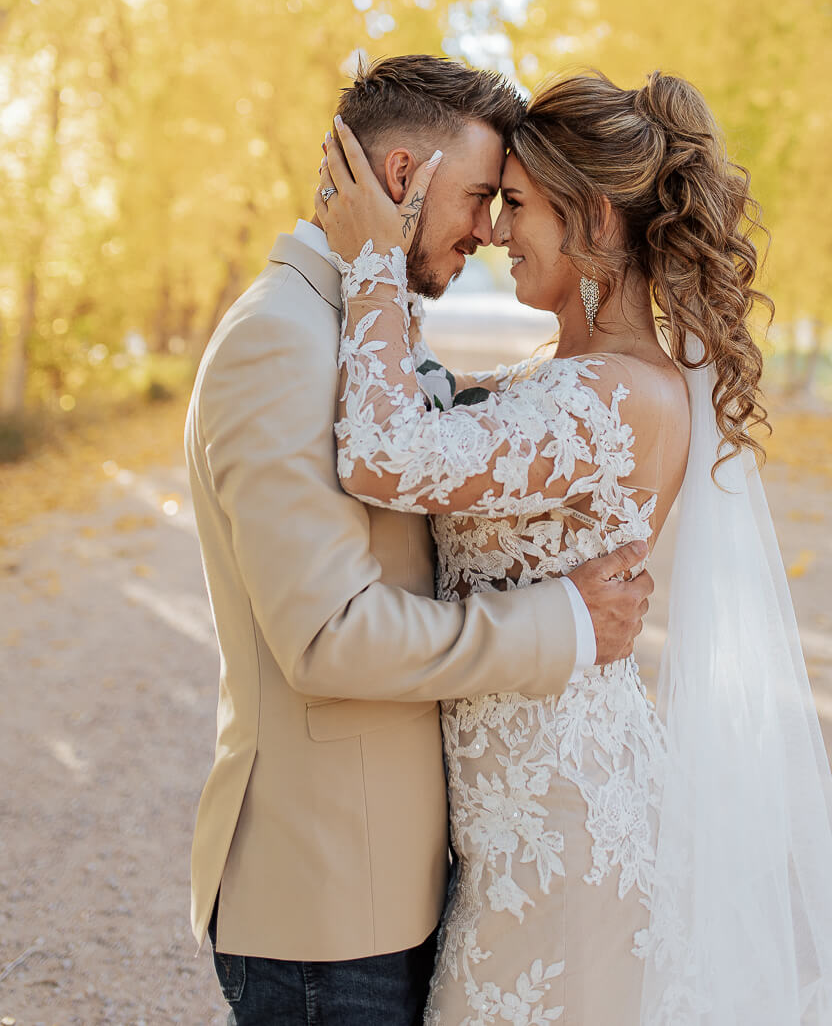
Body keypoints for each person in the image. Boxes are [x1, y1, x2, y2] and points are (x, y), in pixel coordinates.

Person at [315, 67, 832, 1025]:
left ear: (597, 222)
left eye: (518, 205)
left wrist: (374, 264)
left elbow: (381, 454)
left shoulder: (613, 395)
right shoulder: (571, 378)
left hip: (562, 834)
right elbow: (427, 425)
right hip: (524, 820)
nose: (494, 230)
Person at [184, 56, 653, 1026]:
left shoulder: (355, 324)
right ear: (400, 179)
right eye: (481, 195)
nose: (488, 229)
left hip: (390, 874)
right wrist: (563, 623)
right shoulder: (282, 340)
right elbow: (326, 639)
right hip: (326, 893)